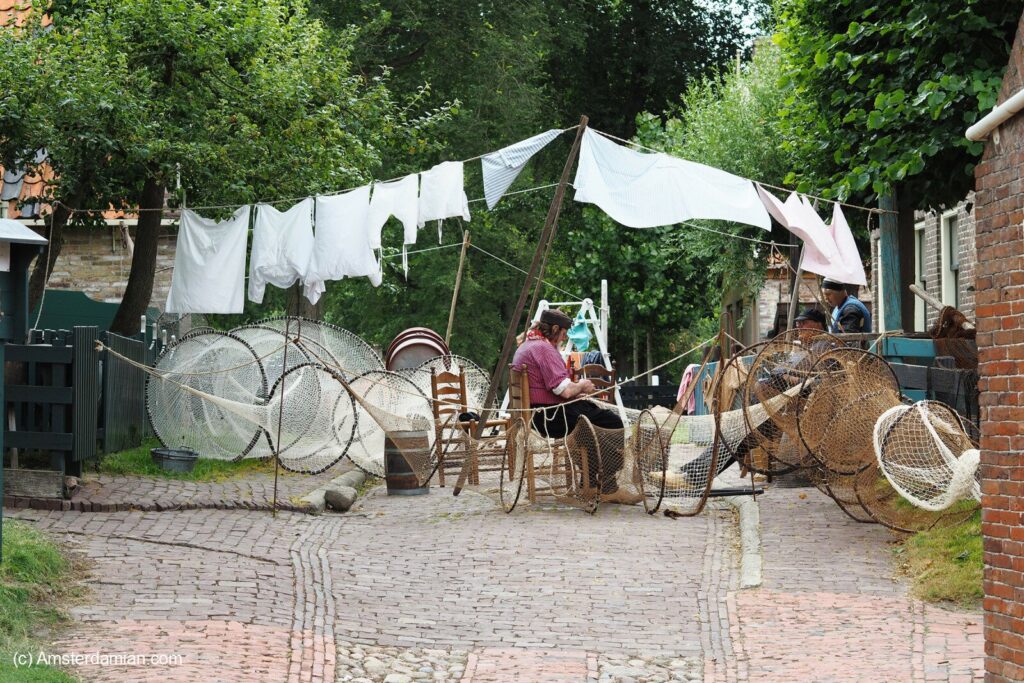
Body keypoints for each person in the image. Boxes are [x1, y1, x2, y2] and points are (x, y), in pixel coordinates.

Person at [680, 307, 828, 485]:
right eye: (797, 323)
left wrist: (788, 377)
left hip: (785, 411)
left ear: (818, 325)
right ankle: (694, 471)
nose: (799, 327)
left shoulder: (823, 347)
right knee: (734, 436)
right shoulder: (804, 349)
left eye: (803, 323)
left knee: (738, 440)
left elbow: (821, 383)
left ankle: (697, 476)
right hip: (770, 408)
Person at [511, 308, 623, 493]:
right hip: (551, 418)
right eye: (563, 333)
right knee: (613, 423)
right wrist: (583, 385)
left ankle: (589, 479)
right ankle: (605, 477)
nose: (563, 338)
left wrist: (575, 393)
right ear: (555, 329)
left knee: (591, 428)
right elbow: (563, 390)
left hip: (537, 414)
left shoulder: (526, 345)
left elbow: (549, 387)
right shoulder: (543, 348)